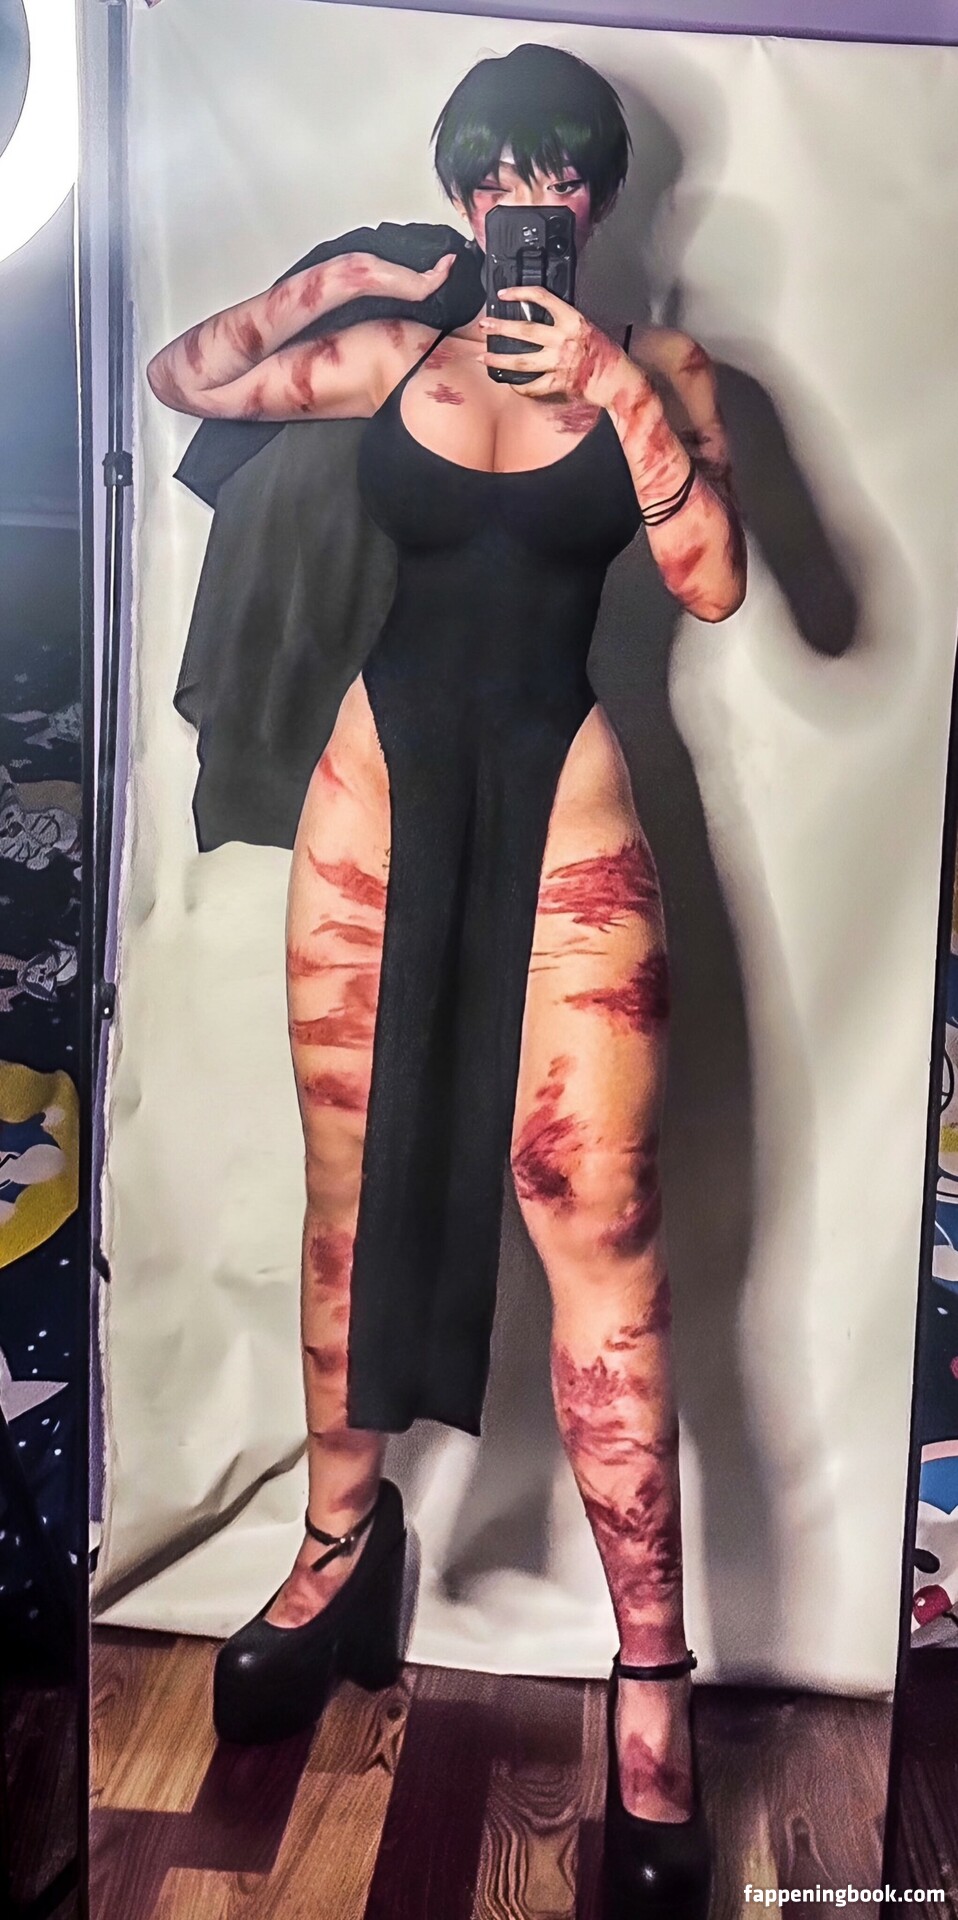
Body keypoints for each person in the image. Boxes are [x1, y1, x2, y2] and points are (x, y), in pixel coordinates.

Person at [146, 42, 746, 1918]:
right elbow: (185, 381)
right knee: (349, 1190)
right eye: (490, 171)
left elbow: (717, 583)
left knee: (596, 1216)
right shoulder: (395, 354)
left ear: (599, 195)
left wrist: (610, 391)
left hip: (562, 795)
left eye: (552, 173)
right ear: (460, 188)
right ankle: (337, 1547)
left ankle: (650, 1676)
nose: (520, 201)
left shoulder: (665, 371)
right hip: (377, 791)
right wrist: (341, 281)